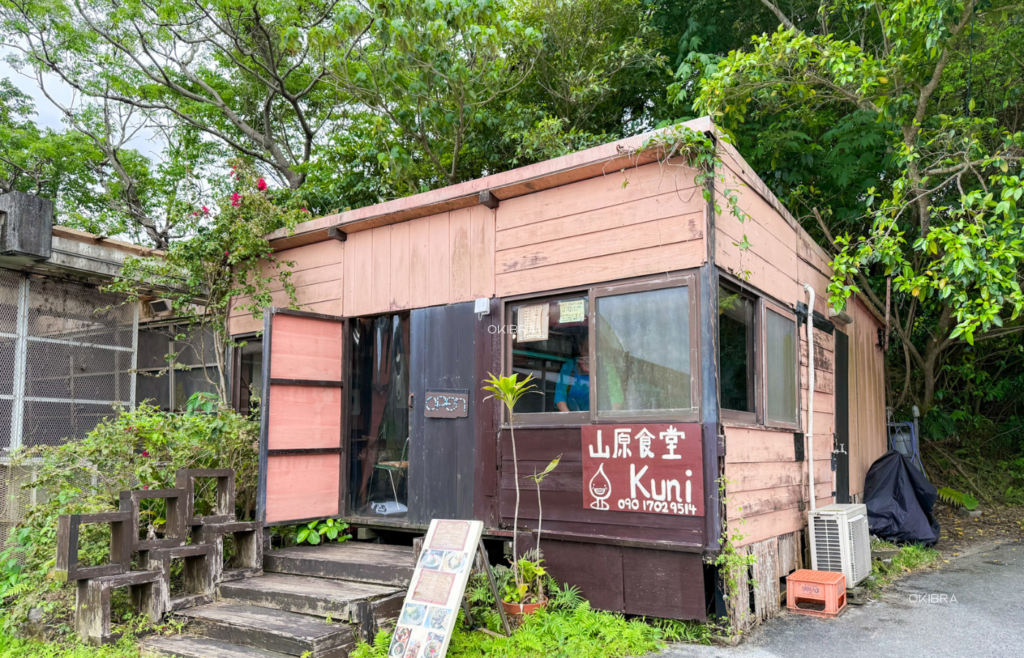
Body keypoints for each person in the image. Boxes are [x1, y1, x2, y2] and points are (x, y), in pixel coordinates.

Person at [554, 335, 623, 411]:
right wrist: (569, 417)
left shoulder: (607, 366)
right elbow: (560, 394)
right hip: (573, 418)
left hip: (601, 418)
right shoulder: (570, 366)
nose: (590, 355)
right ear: (580, 348)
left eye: (594, 351)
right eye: (586, 351)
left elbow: (616, 395)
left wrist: (611, 416)